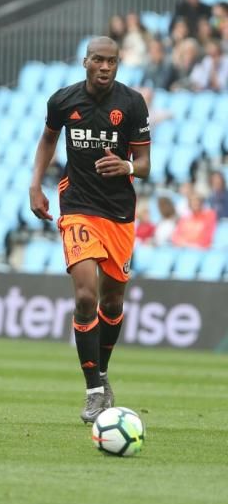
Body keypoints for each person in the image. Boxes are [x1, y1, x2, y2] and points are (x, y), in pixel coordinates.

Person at [29, 36, 151, 424]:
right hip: (78, 206)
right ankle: (94, 391)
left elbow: (145, 161)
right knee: (86, 296)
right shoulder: (63, 101)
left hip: (119, 213)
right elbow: (48, 139)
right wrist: (36, 184)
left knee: (112, 303)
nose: (105, 67)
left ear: (118, 64)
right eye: (98, 60)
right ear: (85, 61)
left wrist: (128, 167)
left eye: (111, 61)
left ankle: (101, 371)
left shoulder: (132, 104)